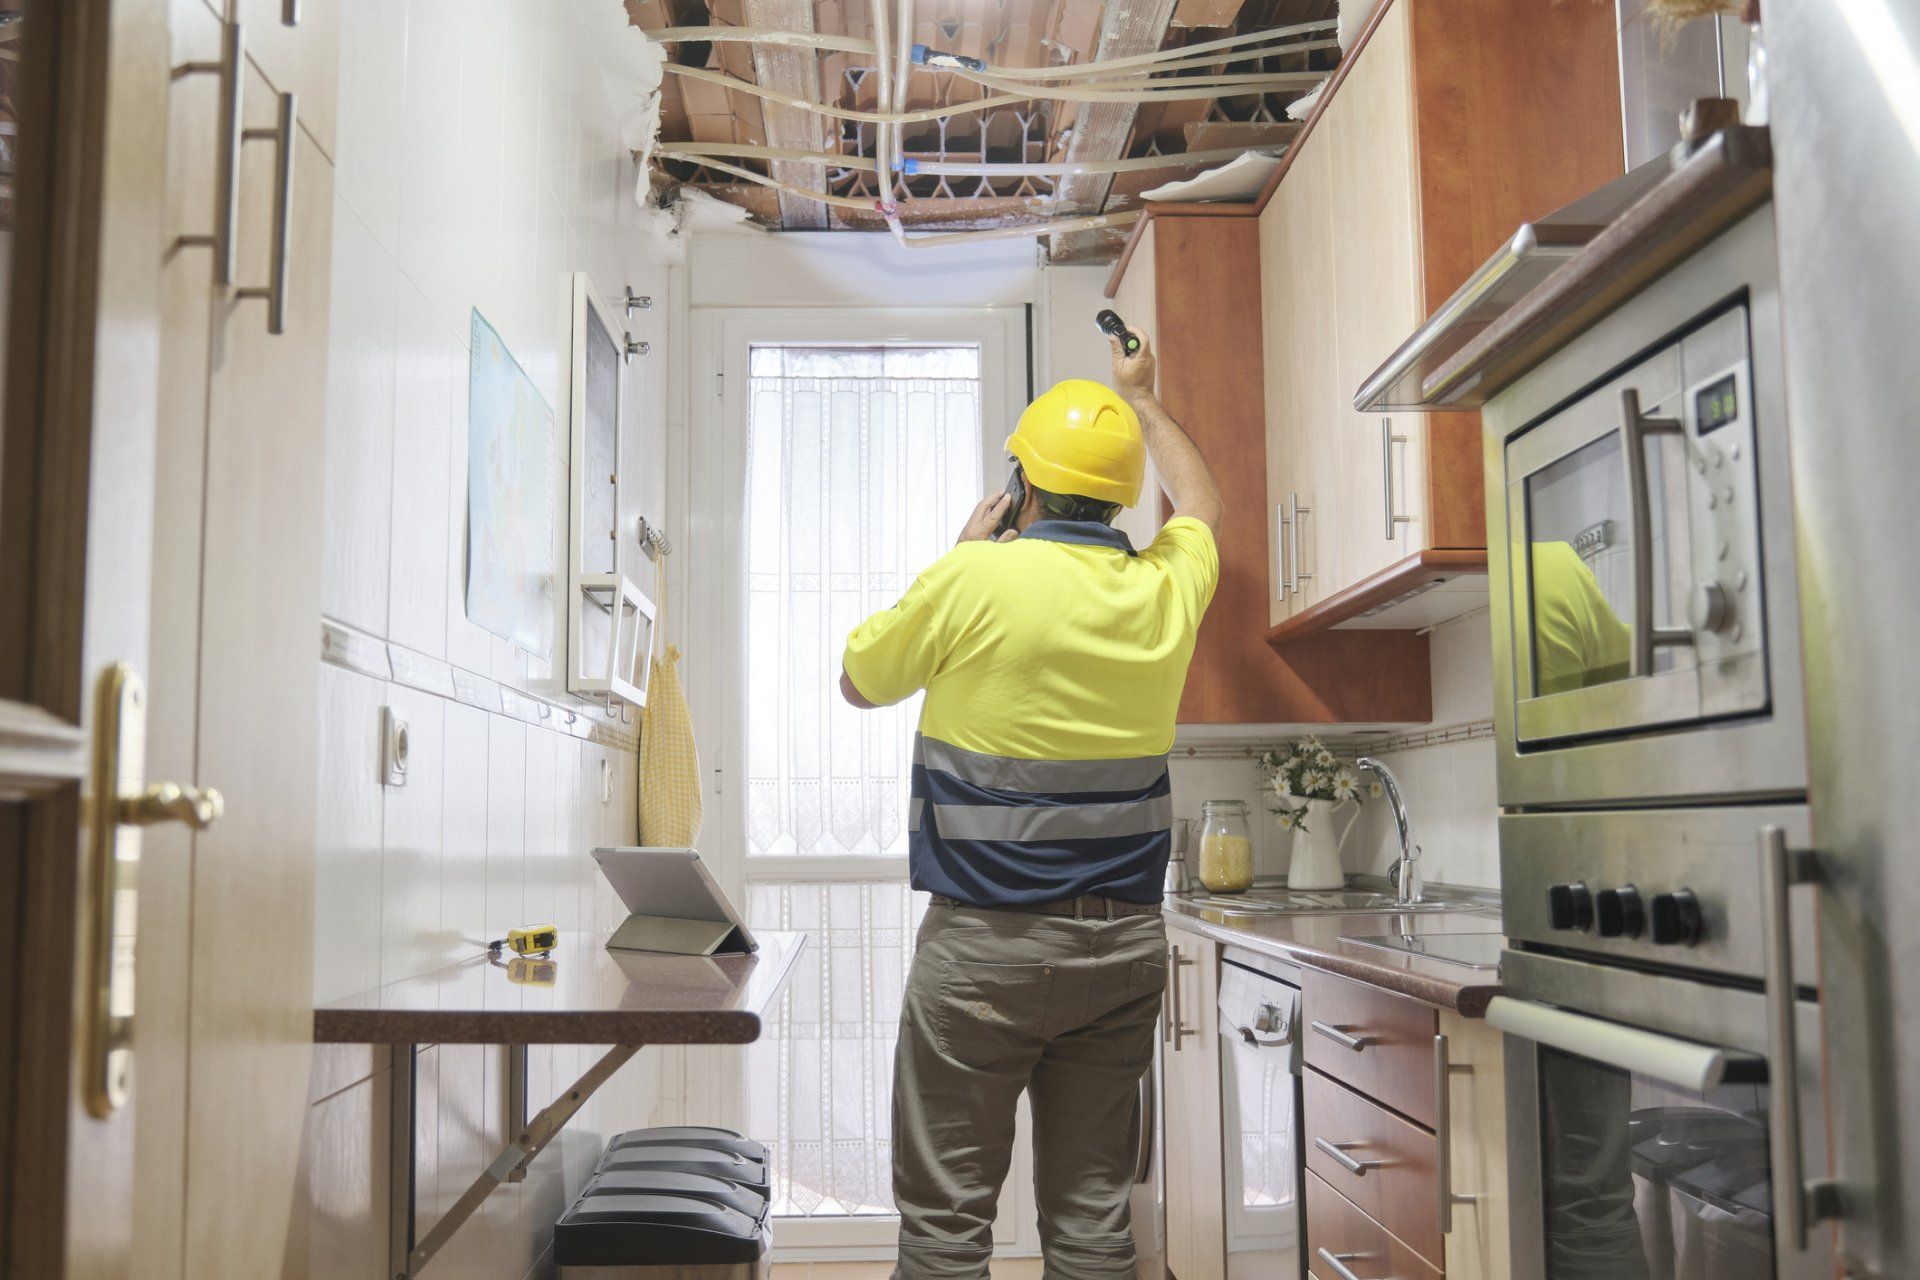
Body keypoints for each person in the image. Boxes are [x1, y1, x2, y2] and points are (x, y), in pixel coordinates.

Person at [837, 334, 1224, 1280]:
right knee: (1095, 1222)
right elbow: (1204, 507)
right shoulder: (1166, 589)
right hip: (1123, 953)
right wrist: (1143, 401)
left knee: (946, 1228)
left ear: (1022, 487)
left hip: (984, 957)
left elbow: (857, 679)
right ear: (1121, 497)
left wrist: (964, 553)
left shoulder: (975, 577)